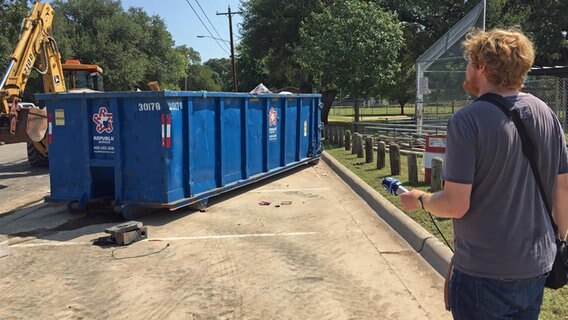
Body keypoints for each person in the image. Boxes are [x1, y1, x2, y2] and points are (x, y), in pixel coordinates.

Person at [400, 28, 568, 319]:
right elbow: (563, 189)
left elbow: (455, 204)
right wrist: (556, 241)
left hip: (484, 274)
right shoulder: (547, 114)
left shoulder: (467, 120)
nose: (466, 69)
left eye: (468, 62)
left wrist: (421, 199)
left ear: (482, 66)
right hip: (536, 266)